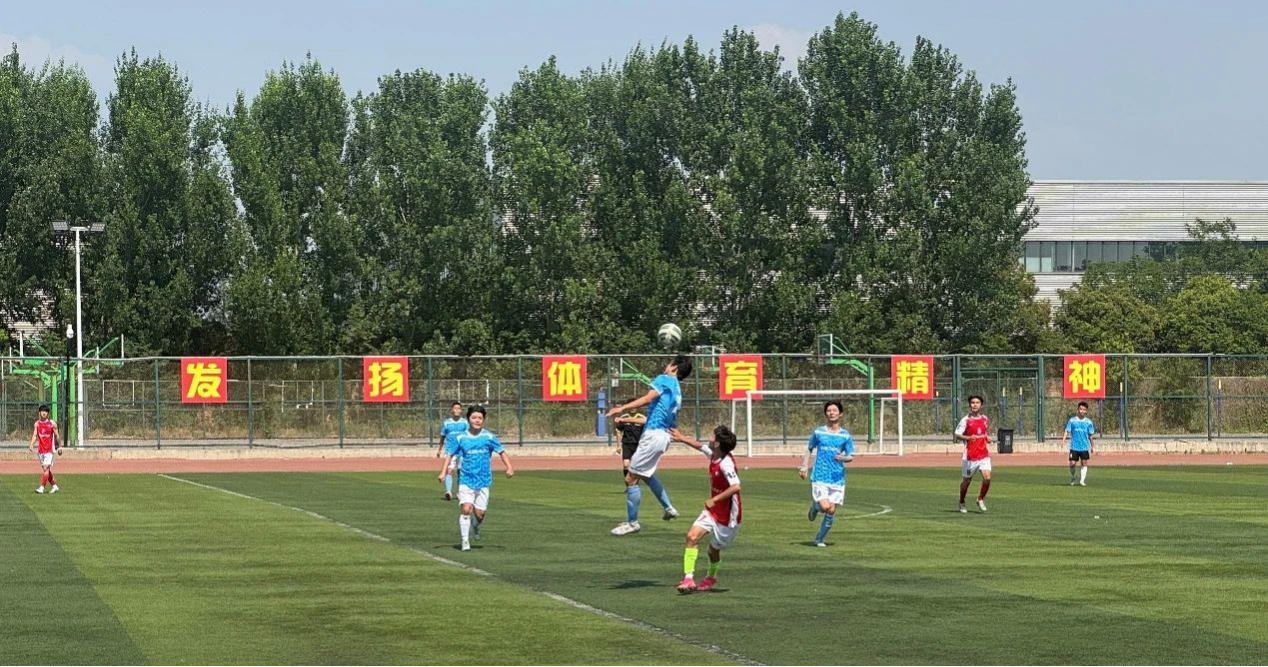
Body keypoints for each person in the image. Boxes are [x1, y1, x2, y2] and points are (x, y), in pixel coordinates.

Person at [668, 425, 742, 593]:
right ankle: (688, 579)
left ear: (717, 443)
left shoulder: (726, 464)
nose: (710, 438)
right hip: (712, 512)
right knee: (691, 536)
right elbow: (700, 446)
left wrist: (714, 499)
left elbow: (736, 486)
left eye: (712, 436)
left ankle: (711, 576)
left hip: (728, 517)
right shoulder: (715, 454)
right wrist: (682, 438)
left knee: (713, 550)